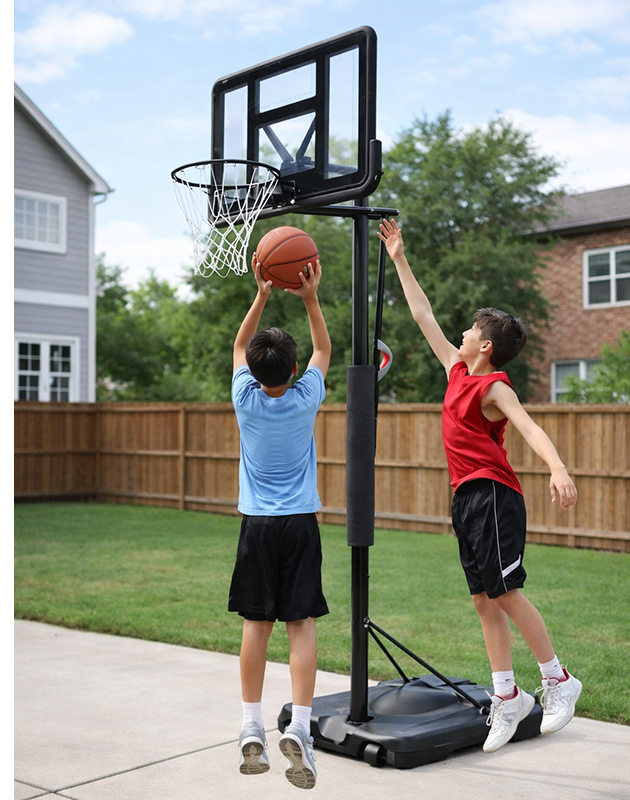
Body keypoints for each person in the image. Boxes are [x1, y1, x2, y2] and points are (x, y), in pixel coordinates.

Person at [376, 218, 582, 754]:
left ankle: (559, 680)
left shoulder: (492, 387)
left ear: (484, 346)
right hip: (466, 496)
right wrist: (399, 256)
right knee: (484, 602)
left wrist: (557, 467)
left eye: (469, 329)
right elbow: (421, 314)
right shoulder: (455, 370)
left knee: (507, 592)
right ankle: (506, 697)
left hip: (493, 493)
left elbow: (529, 425)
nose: (460, 333)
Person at [229, 253, 331, 789]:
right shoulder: (306, 397)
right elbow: (324, 349)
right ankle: (303, 728)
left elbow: (240, 349)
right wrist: (309, 297)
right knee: (301, 626)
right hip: (299, 526)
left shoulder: (245, 397)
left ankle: (251, 726)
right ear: (293, 372)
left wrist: (262, 293)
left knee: (255, 626)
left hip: (258, 527)